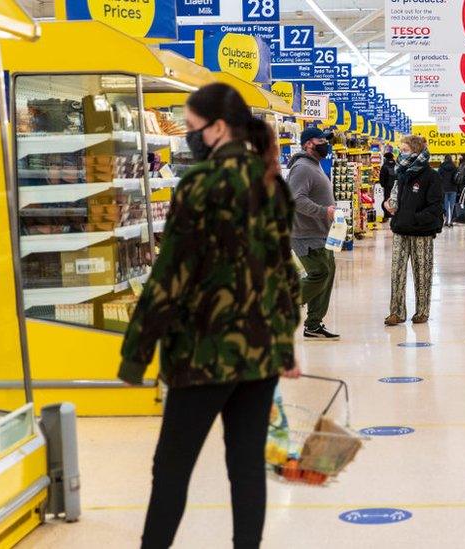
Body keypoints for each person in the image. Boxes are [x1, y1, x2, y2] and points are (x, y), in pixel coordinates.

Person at [118, 82, 302, 549]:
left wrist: (135, 354)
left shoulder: (199, 185)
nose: (188, 136)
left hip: (202, 355)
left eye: (192, 127)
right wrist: (284, 347)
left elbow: (170, 276)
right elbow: (285, 274)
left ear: (218, 128)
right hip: (258, 356)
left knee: (172, 469)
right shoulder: (271, 183)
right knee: (245, 467)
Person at [384, 135, 444, 326]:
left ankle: (422, 311)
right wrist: (388, 206)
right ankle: (396, 312)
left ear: (416, 151)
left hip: (422, 233)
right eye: (400, 150)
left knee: (423, 273)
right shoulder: (400, 174)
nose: (401, 153)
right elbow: (394, 198)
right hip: (400, 230)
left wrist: (415, 219)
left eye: (405, 150)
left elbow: (435, 207)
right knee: (397, 273)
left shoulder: (431, 176)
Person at [287, 127, 339, 341]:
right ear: (308, 143)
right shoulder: (302, 168)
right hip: (305, 233)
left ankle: (314, 325)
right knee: (320, 272)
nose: (325, 143)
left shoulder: (314, 165)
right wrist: (323, 211)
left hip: (321, 232)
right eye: (321, 140)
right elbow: (295, 199)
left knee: (328, 272)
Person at [438, 154, 459, 226]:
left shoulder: (441, 166)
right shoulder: (455, 166)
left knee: (445, 205)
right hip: (453, 188)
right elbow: (457, 178)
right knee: (452, 206)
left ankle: (447, 221)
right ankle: (451, 221)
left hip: (444, 188)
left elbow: (438, 177)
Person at [378, 151, 397, 221]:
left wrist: (382, 184)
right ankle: (395, 215)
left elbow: (382, 176)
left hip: (387, 186)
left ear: (385, 158)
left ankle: (386, 215)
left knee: (387, 200)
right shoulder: (396, 164)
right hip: (396, 186)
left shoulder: (385, 165)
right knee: (396, 199)